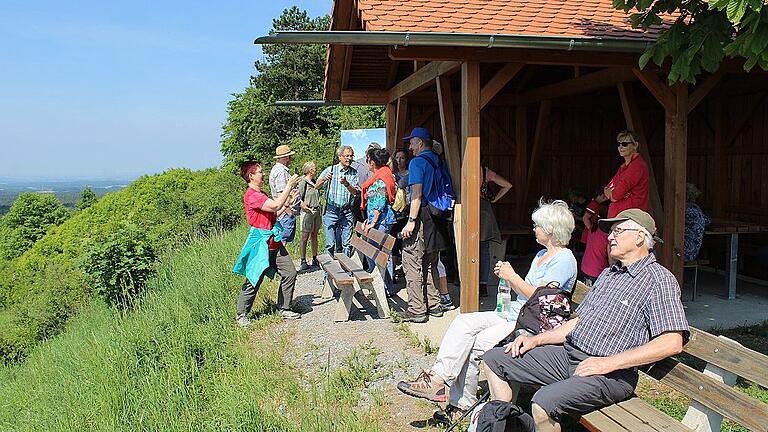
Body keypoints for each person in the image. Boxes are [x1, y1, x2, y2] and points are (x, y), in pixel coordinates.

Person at [482, 209, 689, 432]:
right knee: (494, 360)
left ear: (640, 237)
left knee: (542, 403)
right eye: (611, 232)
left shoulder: (659, 280)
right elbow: (579, 322)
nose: (610, 237)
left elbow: (672, 342)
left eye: (618, 231)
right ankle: (502, 424)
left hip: (611, 374)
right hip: (570, 356)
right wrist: (536, 341)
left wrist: (607, 363)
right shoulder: (610, 274)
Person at [397, 200, 578, 422]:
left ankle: (461, 406)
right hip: (516, 312)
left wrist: (512, 277)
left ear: (550, 229)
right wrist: (507, 279)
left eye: (537, 225)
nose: (534, 229)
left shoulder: (564, 260)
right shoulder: (541, 256)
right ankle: (437, 380)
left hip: (533, 324)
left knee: (479, 342)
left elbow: (542, 299)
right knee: (463, 322)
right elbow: (525, 293)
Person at [233, 161, 302, 326]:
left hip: (274, 242)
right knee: (254, 278)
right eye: (260, 172)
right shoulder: (252, 196)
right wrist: (289, 185)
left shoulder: (261, 194)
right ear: (251, 176)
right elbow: (275, 205)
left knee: (290, 273)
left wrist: (288, 201)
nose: (263, 174)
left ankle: (284, 308)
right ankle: (241, 314)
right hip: (261, 244)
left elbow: (275, 212)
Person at [399, 127, 447, 323]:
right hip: (436, 218)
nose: (410, 147)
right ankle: (434, 305)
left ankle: (417, 309)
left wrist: (410, 222)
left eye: (411, 143)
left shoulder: (418, 162)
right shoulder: (438, 161)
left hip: (421, 217)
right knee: (430, 263)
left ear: (420, 143)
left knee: (411, 262)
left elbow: (417, 195)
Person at [360, 147, 397, 294]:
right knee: (378, 253)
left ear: (373, 163)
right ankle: (384, 286)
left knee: (376, 253)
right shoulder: (383, 175)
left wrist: (372, 222)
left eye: (368, 160)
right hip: (380, 220)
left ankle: (384, 287)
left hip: (382, 221)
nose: (367, 163)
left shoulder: (380, 180)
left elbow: (379, 203)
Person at [316, 145, 360, 257]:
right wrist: (324, 179)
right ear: (340, 157)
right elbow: (316, 186)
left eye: (351, 156)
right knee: (330, 244)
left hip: (346, 211)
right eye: (346, 156)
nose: (349, 158)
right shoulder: (330, 170)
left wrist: (346, 184)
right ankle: (328, 273)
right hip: (331, 210)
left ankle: (346, 271)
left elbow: (355, 192)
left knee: (346, 244)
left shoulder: (354, 173)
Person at [478, 158, 513, 298]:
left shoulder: (462, 169)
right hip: (485, 210)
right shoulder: (486, 172)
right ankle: (483, 285)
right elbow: (507, 185)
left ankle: (463, 281)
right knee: (484, 250)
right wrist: (494, 199)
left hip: (469, 209)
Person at [604, 130, 650, 218]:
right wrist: (615, 192)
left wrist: (613, 192)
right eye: (619, 144)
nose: (620, 147)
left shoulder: (637, 166)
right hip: (620, 218)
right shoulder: (624, 167)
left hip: (629, 219)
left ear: (635, 145)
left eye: (625, 144)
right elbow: (607, 188)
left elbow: (615, 195)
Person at [269, 145, 300, 244]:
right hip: (285, 213)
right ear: (286, 157)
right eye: (290, 156)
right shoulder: (281, 172)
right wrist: (289, 212)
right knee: (283, 242)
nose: (291, 159)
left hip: (284, 212)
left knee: (283, 242)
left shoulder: (278, 170)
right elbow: (281, 194)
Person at [580, 192, 611, 285]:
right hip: (597, 271)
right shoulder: (607, 234)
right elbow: (611, 258)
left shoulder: (593, 228)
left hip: (585, 267)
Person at [297, 161, 321, 271]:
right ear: (310, 170)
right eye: (314, 168)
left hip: (316, 211)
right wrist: (306, 208)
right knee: (304, 237)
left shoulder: (314, 182)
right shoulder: (303, 182)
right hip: (307, 212)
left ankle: (315, 258)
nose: (315, 170)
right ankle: (303, 260)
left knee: (314, 235)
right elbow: (299, 198)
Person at [684, 183, 710, 262]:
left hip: (685, 251)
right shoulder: (696, 209)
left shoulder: (687, 212)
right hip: (694, 250)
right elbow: (708, 221)